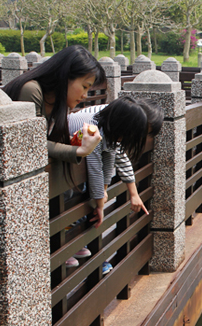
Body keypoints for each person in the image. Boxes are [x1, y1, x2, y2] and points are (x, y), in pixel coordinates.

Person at [67, 97, 164, 274]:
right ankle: (69, 247)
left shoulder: (114, 122)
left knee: (89, 201)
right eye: (142, 131)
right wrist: (100, 201)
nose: (139, 136)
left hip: (77, 164)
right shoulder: (94, 128)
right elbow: (95, 167)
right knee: (77, 202)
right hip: (66, 166)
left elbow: (111, 156)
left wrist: (105, 192)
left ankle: (82, 248)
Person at [2, 45, 104, 163]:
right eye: (84, 87)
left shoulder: (60, 102)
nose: (85, 95)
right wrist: (80, 151)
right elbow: (31, 142)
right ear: (65, 76)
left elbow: (46, 141)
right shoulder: (31, 90)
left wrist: (78, 141)